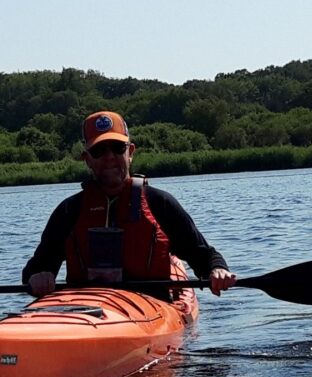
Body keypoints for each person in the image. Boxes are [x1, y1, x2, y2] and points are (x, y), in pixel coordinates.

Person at [23, 111, 238, 298]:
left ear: (131, 152)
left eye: (117, 148)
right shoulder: (69, 211)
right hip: (86, 307)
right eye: (99, 151)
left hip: (151, 304)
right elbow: (34, 269)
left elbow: (204, 256)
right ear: (87, 159)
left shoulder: (160, 203)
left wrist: (217, 270)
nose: (109, 157)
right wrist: (38, 277)